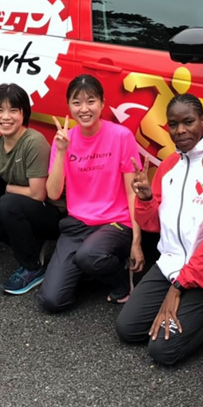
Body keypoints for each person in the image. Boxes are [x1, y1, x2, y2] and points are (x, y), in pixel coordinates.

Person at [115, 93, 203, 366]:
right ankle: (188, 309)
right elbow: (152, 224)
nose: (180, 131)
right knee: (128, 329)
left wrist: (178, 288)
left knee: (163, 350)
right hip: (171, 265)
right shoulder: (169, 166)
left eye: (188, 122)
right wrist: (145, 199)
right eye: (173, 124)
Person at [37, 75, 144, 313]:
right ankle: (91, 267)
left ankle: (120, 283)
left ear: (102, 103)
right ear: (69, 106)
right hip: (78, 224)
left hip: (116, 222)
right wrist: (62, 152)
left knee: (89, 255)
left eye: (91, 101)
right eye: (77, 103)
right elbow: (53, 193)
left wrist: (137, 242)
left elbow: (132, 192)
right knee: (52, 301)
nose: (84, 109)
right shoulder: (64, 140)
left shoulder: (121, 136)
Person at [0, 83, 60, 295]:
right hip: (23, 209)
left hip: (51, 213)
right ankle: (29, 244)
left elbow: (38, 194)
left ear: (23, 114)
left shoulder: (33, 142)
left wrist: (8, 187)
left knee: (7, 202)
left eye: (13, 110)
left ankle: (32, 267)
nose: (5, 117)